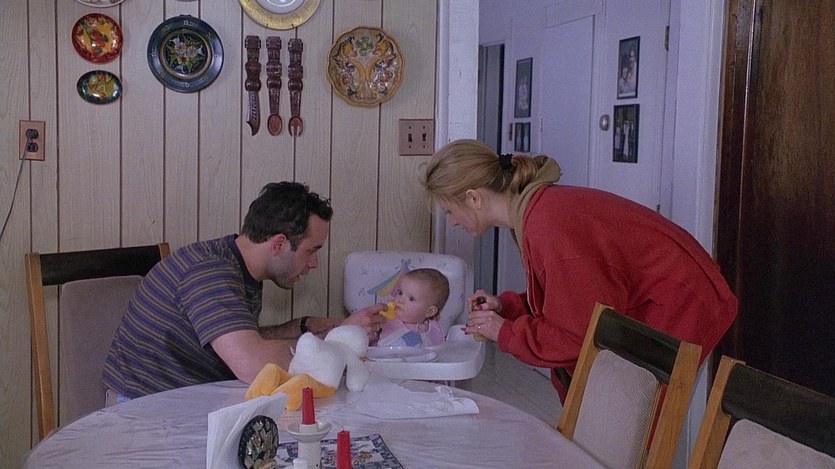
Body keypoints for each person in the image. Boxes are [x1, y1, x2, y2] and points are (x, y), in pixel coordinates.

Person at [421, 139, 738, 401]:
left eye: (450, 211)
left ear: (474, 198)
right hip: (660, 294)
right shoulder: (534, 212)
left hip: (678, 302)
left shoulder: (546, 225)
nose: (453, 222)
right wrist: (507, 307)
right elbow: (567, 297)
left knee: (631, 424)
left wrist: (504, 331)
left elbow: (577, 336)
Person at [103, 182, 387, 401]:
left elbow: (244, 340)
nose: (314, 263)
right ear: (278, 244)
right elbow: (252, 362)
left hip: (181, 400)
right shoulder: (210, 272)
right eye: (311, 250)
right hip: (144, 409)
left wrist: (310, 327)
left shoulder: (235, 264)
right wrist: (339, 339)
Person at [374, 268, 449, 348]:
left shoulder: (434, 331)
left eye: (411, 299)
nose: (400, 300)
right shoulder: (386, 321)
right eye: (400, 293)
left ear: (429, 312)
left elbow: (441, 353)